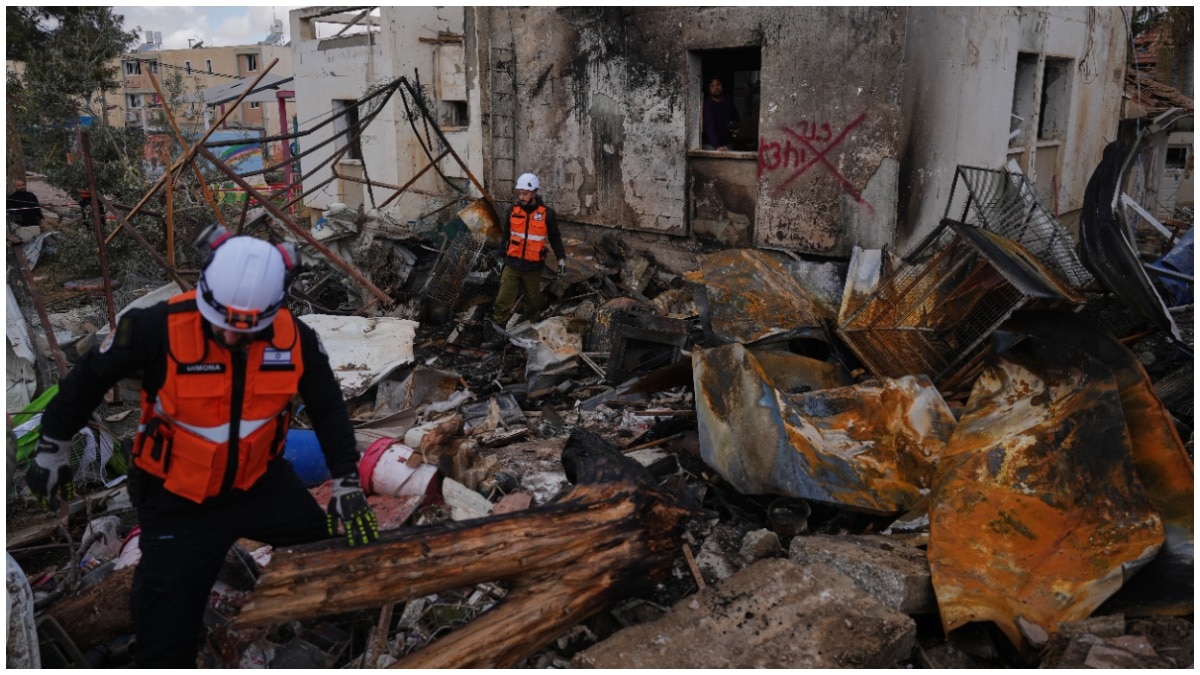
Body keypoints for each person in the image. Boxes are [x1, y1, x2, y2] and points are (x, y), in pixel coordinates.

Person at [26, 226, 379, 667]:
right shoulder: (155, 328)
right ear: (203, 295)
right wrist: (52, 446)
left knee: (327, 554)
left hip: (261, 486)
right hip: (178, 496)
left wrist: (346, 480)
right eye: (222, 327)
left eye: (245, 332)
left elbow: (328, 408)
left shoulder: (297, 340)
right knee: (166, 630)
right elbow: (87, 380)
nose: (232, 339)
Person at [486, 172, 566, 342]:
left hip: (533, 268)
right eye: (520, 193)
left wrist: (561, 260)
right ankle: (497, 335)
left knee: (532, 303)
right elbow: (506, 236)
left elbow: (555, 238)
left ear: (534, 193)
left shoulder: (547, 214)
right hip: (512, 265)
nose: (521, 197)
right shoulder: (512, 211)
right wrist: (501, 256)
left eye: (525, 193)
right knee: (503, 300)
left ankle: (530, 336)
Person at [701, 77, 741, 151]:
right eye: (712, 86)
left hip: (727, 144)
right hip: (711, 146)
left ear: (722, 87)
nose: (716, 87)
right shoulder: (708, 105)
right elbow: (709, 127)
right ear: (709, 90)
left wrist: (732, 125)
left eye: (718, 84)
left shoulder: (728, 101)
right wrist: (717, 146)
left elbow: (737, 119)